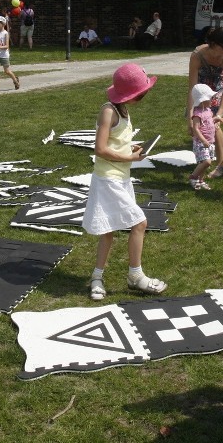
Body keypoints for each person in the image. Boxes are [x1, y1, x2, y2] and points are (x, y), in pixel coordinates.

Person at [82, 63, 167, 300]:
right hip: (108, 179)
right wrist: (130, 156)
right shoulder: (108, 111)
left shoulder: (123, 110)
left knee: (108, 230)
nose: (143, 96)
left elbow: (114, 142)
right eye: (140, 93)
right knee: (139, 222)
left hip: (121, 178)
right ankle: (135, 276)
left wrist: (131, 148)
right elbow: (100, 149)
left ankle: (97, 276)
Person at [186, 27, 223, 179]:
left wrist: (219, 114)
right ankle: (204, 159)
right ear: (213, 44)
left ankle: (220, 166)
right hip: (201, 89)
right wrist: (189, 117)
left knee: (215, 126)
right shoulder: (197, 56)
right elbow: (192, 89)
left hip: (219, 89)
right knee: (199, 124)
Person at [189, 83, 223, 190]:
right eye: (210, 98)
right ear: (203, 100)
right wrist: (203, 140)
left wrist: (216, 119)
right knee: (206, 161)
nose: (212, 100)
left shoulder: (208, 111)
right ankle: (193, 177)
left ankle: (200, 180)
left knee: (206, 163)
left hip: (209, 141)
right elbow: (196, 128)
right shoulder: (197, 114)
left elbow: (208, 122)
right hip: (201, 142)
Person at [0, 16, 19, 94]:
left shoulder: (6, 34)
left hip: (4, 55)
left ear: (3, 24)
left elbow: (6, 47)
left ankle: (15, 80)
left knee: (7, 71)